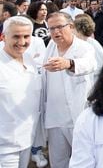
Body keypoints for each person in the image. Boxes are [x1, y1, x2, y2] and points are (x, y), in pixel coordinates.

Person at [43, 12, 97, 168]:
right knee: (58, 160)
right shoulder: (51, 46)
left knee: (83, 159)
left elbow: (90, 64)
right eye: (51, 28)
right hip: (55, 117)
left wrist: (69, 63)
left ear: (71, 27)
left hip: (77, 115)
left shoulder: (85, 47)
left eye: (60, 27)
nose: (55, 32)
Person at [0, 16, 42, 168]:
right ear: (3, 37)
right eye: (16, 36)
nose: (22, 42)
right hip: (4, 147)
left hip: (26, 141)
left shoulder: (30, 59)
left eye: (26, 36)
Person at [73, 14, 103, 81]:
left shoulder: (94, 45)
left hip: (92, 82)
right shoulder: (76, 42)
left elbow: (99, 66)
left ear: (79, 29)